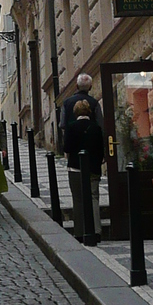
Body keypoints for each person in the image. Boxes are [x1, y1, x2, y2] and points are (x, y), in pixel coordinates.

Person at [64, 98, 105, 242]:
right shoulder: (96, 128)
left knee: (78, 199)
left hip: (75, 167)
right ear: (89, 112)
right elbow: (101, 150)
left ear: (75, 112)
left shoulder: (71, 127)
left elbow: (66, 148)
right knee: (94, 197)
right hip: (93, 167)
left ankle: (80, 232)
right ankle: (96, 231)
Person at [59, 73, 101, 138]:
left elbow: (62, 124)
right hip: (91, 139)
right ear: (90, 87)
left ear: (77, 86)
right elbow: (100, 123)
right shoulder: (94, 103)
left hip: (72, 140)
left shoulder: (66, 103)